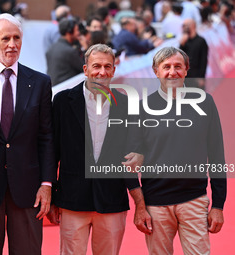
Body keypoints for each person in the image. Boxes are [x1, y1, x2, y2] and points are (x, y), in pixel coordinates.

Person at [48, 44, 152, 255]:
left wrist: (139, 202)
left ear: (114, 70)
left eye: (107, 66)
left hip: (112, 201)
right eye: (96, 66)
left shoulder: (127, 105)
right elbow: (52, 152)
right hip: (72, 201)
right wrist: (52, 197)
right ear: (85, 69)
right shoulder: (62, 102)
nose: (101, 72)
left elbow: (129, 158)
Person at [127, 46, 227, 255]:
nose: (172, 72)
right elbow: (128, 162)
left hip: (194, 201)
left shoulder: (205, 103)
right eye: (166, 67)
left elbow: (217, 154)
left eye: (178, 66)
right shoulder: (142, 109)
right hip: (155, 206)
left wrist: (218, 205)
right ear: (156, 71)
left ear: (186, 69)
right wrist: (140, 206)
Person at [0, 13, 56, 255]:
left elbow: (46, 137)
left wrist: (47, 183)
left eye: (16, 37)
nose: (12, 44)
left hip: (29, 188)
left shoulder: (40, 82)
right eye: (5, 38)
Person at [46, 18, 84, 85]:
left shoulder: (51, 48)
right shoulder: (70, 51)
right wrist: (85, 48)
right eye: (77, 30)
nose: (78, 33)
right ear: (69, 31)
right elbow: (84, 69)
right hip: (66, 88)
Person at [180, 18, 209, 89]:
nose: (183, 28)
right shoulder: (184, 42)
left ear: (192, 26)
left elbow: (203, 60)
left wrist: (202, 77)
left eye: (185, 25)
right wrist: (182, 45)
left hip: (196, 77)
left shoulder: (201, 41)